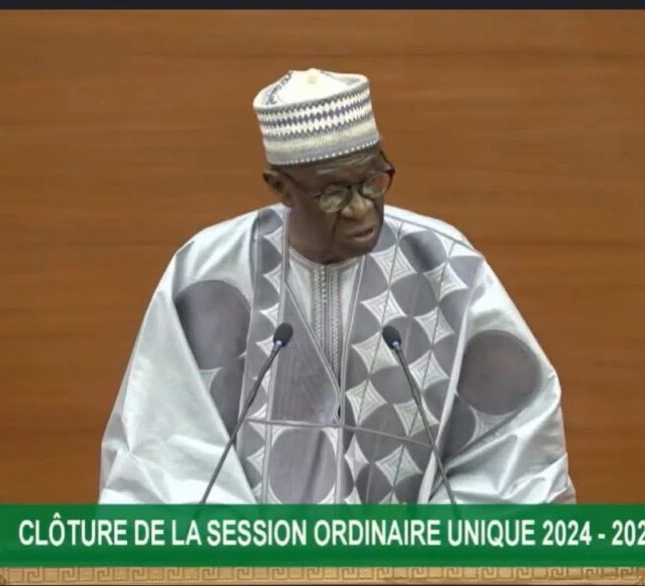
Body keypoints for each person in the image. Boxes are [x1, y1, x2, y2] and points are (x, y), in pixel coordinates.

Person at [98, 68, 575, 505]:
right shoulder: (209, 272)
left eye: (373, 181)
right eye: (333, 193)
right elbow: (164, 457)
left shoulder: (446, 269)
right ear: (280, 188)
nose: (361, 208)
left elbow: (515, 447)